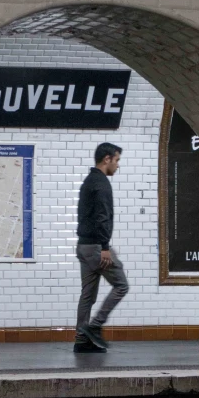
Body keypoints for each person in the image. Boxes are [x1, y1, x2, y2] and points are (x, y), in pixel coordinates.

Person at [74, 142, 129, 353]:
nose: (117, 165)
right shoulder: (102, 184)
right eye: (117, 161)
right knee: (122, 285)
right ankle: (94, 327)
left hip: (84, 246)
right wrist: (105, 247)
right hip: (97, 247)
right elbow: (102, 217)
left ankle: (81, 341)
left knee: (87, 295)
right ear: (107, 159)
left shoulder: (89, 181)